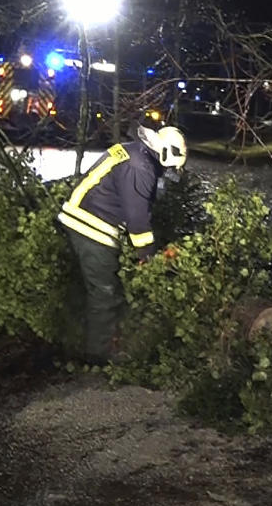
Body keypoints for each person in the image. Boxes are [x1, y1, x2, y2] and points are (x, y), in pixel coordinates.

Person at [57, 124, 187, 364]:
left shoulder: (133, 152)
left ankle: (75, 339)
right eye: (168, 168)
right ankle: (98, 357)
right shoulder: (141, 168)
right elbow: (137, 219)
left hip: (78, 219)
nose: (166, 172)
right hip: (93, 227)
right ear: (165, 154)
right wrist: (148, 258)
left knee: (91, 288)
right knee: (105, 295)